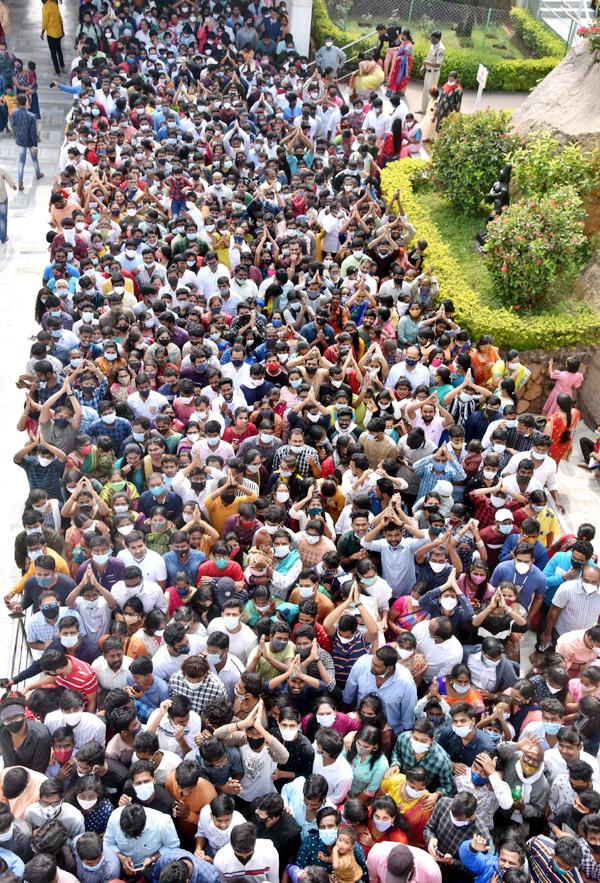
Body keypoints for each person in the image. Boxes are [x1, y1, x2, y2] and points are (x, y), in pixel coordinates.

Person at [11, 94, 42, 190]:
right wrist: (35, 146)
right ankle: (37, 174)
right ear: (26, 101)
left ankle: (20, 181)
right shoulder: (31, 116)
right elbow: (33, 132)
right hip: (30, 141)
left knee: (21, 161)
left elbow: (13, 124)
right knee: (34, 159)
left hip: (20, 139)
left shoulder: (14, 112)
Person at [419, 31, 446, 114]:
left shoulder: (441, 49)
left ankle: (430, 111)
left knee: (431, 93)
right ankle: (423, 109)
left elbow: (438, 64)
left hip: (434, 73)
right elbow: (428, 57)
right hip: (428, 72)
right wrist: (423, 66)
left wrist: (426, 63)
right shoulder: (433, 45)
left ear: (438, 39)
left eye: (433, 39)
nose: (432, 40)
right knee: (425, 91)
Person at [40, 0, 64, 75]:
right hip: (58, 31)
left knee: (53, 53)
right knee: (59, 49)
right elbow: (60, 19)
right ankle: (62, 65)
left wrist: (42, 32)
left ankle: (57, 71)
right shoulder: (54, 5)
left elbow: (45, 22)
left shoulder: (45, 8)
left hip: (51, 33)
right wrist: (62, 30)